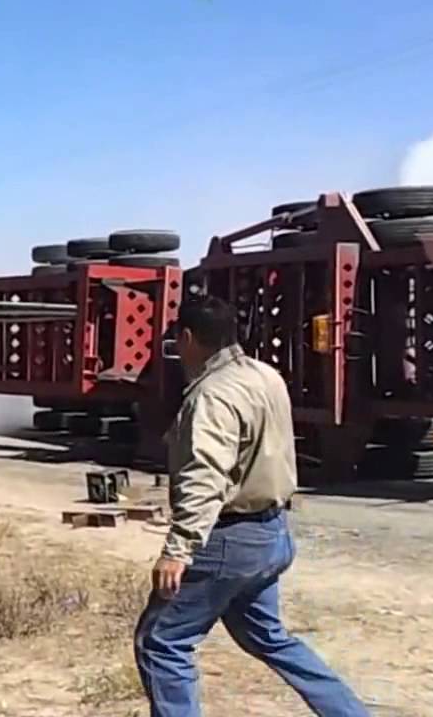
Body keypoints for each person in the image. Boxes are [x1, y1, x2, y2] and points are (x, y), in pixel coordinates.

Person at [134, 296, 367, 716]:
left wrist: (178, 548)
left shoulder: (211, 396)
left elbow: (204, 476)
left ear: (187, 338)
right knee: (269, 636)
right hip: (271, 533)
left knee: (162, 643)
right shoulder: (266, 376)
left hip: (228, 540)